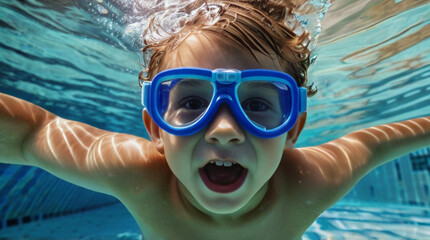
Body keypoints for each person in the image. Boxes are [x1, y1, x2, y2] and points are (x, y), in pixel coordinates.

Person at [0, 1, 429, 239]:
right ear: (155, 129)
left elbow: (373, 144)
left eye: (258, 105)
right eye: (190, 103)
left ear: (293, 128)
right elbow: (33, 134)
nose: (224, 129)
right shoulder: (138, 174)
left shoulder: (310, 180)